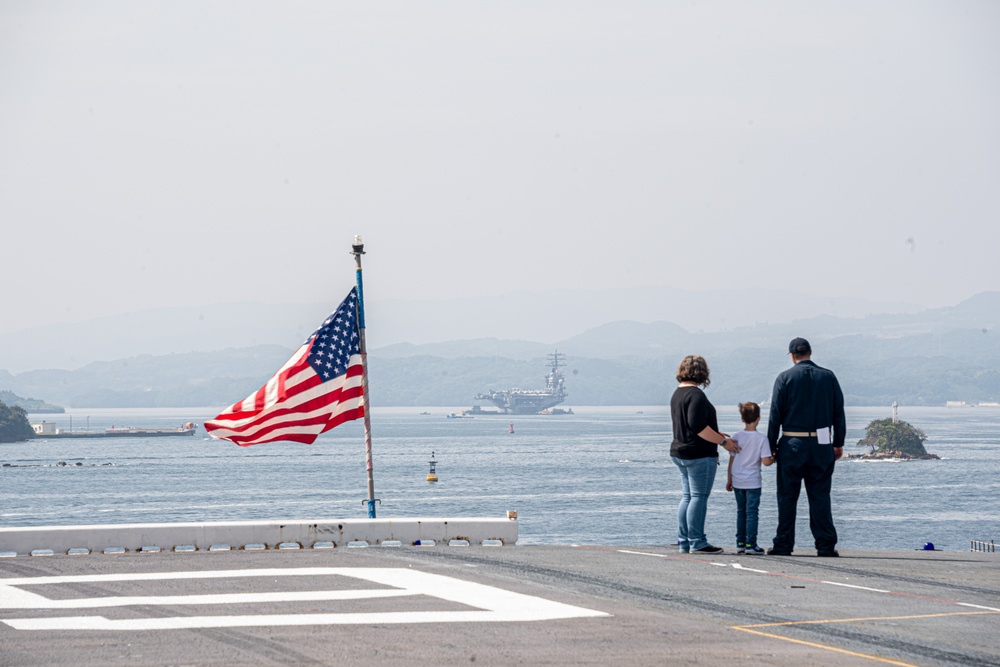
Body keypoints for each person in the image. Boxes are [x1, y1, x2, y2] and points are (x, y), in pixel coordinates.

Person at [766, 338, 846, 557]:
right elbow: (838, 411)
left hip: (792, 443)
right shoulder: (828, 377)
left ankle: (783, 544)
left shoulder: (784, 378)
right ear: (810, 352)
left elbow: (775, 415)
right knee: (820, 496)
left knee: (787, 496)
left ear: (792, 356)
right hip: (821, 444)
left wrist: (770, 446)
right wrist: (838, 443)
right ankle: (825, 545)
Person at [670, 354, 740, 554]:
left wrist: (716, 434)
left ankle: (684, 541)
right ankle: (697, 542)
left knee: (688, 496)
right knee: (699, 497)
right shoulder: (696, 395)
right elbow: (698, 426)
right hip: (698, 454)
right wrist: (723, 442)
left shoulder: (677, 393)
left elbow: (689, 425)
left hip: (680, 451)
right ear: (702, 372)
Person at [725, 401, 774, 554]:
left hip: (737, 479)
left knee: (741, 512)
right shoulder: (761, 439)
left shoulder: (736, 437)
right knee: (752, 512)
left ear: (742, 419)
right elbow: (766, 462)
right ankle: (751, 544)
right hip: (753, 481)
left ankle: (740, 542)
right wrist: (774, 457)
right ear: (759, 418)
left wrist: (729, 479)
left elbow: (732, 460)